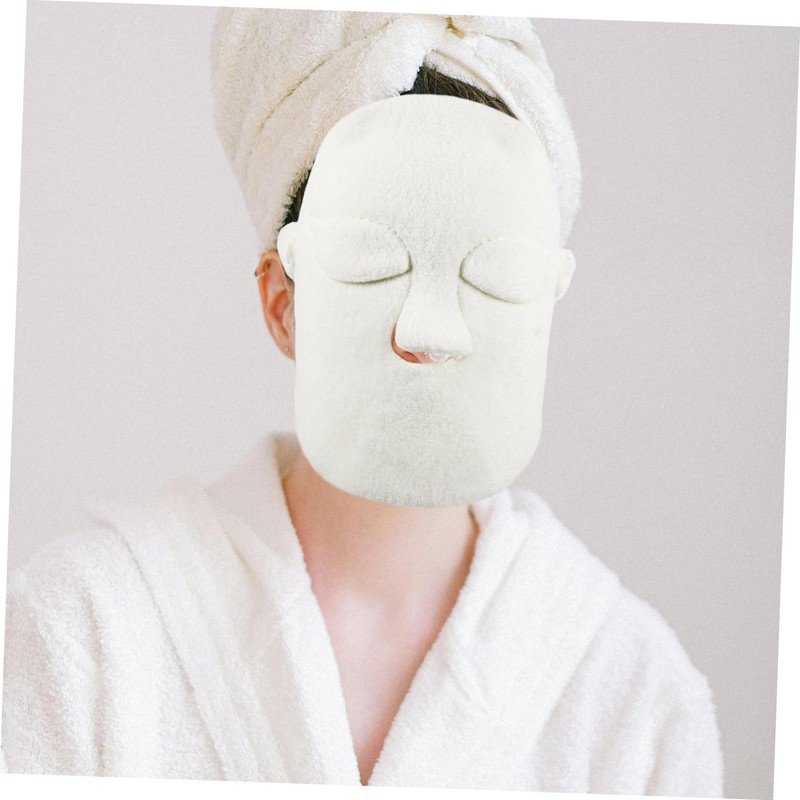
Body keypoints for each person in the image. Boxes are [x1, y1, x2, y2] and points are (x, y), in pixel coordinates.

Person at [2, 9, 724, 795]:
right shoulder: (86, 631)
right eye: (375, 263)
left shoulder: (639, 702)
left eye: (493, 274)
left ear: (546, 296)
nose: (431, 329)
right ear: (282, 301)